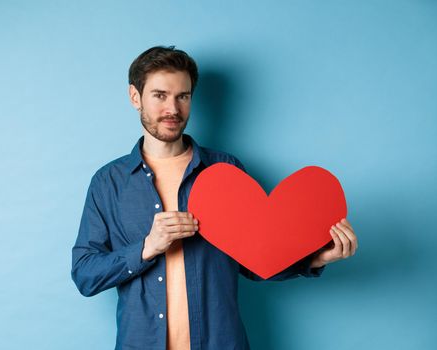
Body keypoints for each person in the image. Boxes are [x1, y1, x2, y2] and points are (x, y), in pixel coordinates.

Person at [71, 46, 358, 350]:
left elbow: (255, 260)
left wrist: (316, 258)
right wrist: (147, 247)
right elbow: (85, 274)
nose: (173, 108)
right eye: (160, 95)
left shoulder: (226, 171)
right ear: (135, 97)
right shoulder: (108, 183)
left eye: (183, 96)